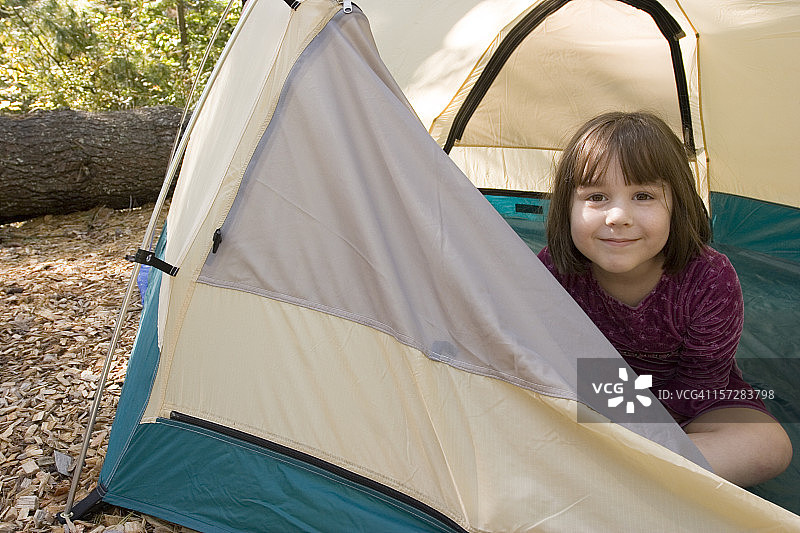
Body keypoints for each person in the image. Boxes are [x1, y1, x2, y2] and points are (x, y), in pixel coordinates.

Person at [538, 111, 792, 487]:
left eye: (643, 196)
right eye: (596, 197)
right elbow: (540, 354)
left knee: (768, 447)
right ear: (567, 209)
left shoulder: (709, 279)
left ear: (678, 205)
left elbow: (701, 383)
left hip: (691, 398)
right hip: (598, 390)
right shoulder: (553, 270)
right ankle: (642, 473)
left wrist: (644, 431)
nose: (618, 216)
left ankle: (612, 471)